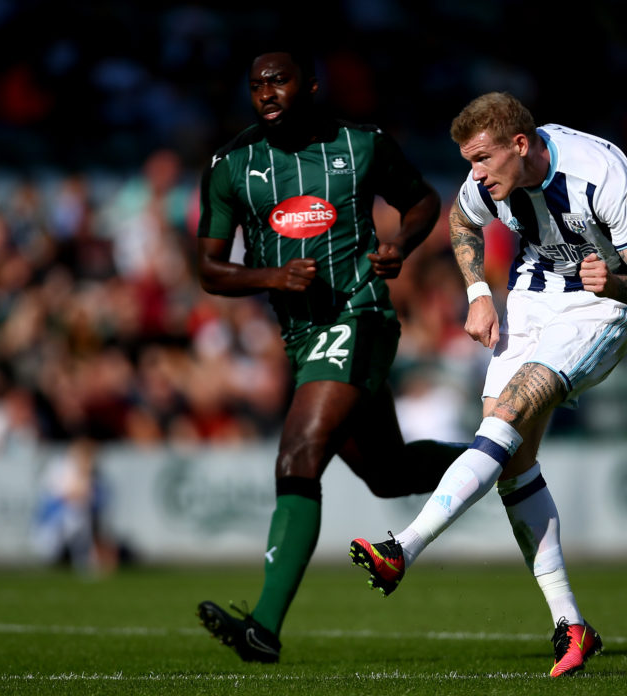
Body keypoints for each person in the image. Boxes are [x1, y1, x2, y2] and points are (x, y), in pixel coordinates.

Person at [350, 91, 627, 677]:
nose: (473, 174)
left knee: (505, 416)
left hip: (599, 309)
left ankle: (403, 549)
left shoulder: (599, 173)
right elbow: (459, 217)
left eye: (481, 160)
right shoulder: (489, 182)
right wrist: (478, 293)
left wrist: (617, 285)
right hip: (529, 299)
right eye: (468, 161)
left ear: (519, 146)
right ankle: (571, 626)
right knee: (511, 460)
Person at [194, 47, 465, 663]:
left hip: (358, 315)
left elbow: (423, 200)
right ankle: (499, 462)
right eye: (256, 84)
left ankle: (262, 627)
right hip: (300, 337)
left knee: (297, 456)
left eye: (279, 80)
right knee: (387, 473)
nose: (266, 91)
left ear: (310, 87)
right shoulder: (232, 165)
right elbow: (209, 269)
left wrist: (400, 245)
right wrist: (271, 277)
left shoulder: (362, 145)